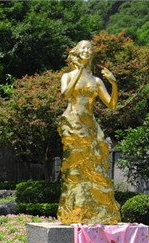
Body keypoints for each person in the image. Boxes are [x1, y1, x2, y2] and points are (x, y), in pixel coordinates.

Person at [57, 40, 121, 225]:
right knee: (75, 165)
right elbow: (65, 95)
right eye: (83, 48)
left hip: (90, 125)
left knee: (97, 164)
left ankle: (98, 209)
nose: (87, 51)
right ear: (76, 52)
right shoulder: (67, 76)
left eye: (89, 49)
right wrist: (78, 72)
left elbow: (112, 104)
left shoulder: (96, 81)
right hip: (72, 122)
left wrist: (114, 84)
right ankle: (73, 210)